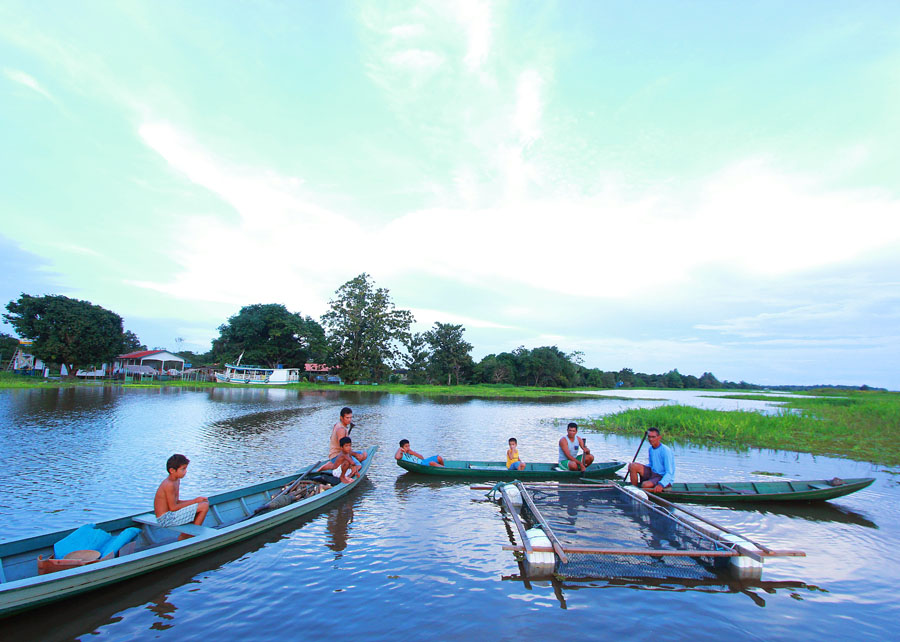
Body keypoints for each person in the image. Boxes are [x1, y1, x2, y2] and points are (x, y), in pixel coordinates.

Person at [153, 454, 209, 540]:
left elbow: (177, 502)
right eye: (183, 469)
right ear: (172, 470)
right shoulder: (169, 484)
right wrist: (194, 501)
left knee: (203, 503)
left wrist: (196, 501)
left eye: (185, 468)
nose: (185, 471)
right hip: (165, 519)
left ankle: (185, 535)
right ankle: (190, 536)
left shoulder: (176, 480)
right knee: (204, 506)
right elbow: (173, 507)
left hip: (171, 514)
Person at [627, 427, 675, 493]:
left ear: (659, 437)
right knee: (633, 466)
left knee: (644, 485)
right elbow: (651, 464)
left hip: (662, 476)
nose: (650, 439)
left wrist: (661, 485)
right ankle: (634, 489)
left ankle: (642, 490)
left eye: (653, 437)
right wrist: (636, 467)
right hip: (653, 473)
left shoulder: (665, 451)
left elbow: (669, 472)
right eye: (649, 437)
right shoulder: (651, 449)